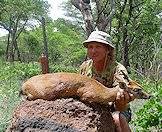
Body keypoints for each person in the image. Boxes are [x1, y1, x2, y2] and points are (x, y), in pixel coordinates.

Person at [79, 30, 135, 132]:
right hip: (92, 105)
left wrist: (121, 97)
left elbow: (122, 96)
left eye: (98, 47)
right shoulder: (85, 67)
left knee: (117, 119)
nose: (93, 51)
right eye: (91, 47)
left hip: (117, 108)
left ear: (108, 50)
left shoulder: (118, 69)